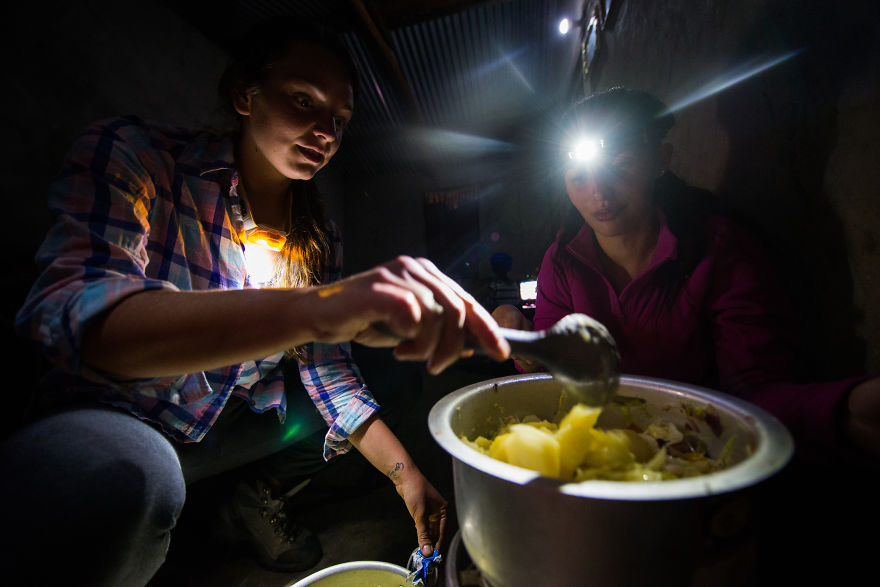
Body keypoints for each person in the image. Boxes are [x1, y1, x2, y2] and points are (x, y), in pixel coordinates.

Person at [1, 17, 509, 586]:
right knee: (131, 481)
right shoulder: (139, 156)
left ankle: (257, 496)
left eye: (338, 121)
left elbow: (328, 371)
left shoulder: (318, 235)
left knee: (387, 378)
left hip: (229, 419)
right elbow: (79, 321)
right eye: (302, 101)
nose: (324, 132)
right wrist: (320, 307)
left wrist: (407, 475)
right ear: (245, 95)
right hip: (121, 414)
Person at [493, 86, 880, 464]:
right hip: (599, 462)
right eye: (579, 176)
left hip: (697, 457)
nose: (599, 193)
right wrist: (524, 345)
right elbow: (549, 384)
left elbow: (755, 389)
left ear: (660, 159)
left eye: (621, 165)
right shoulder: (561, 263)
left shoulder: (716, 249)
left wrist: (844, 408)